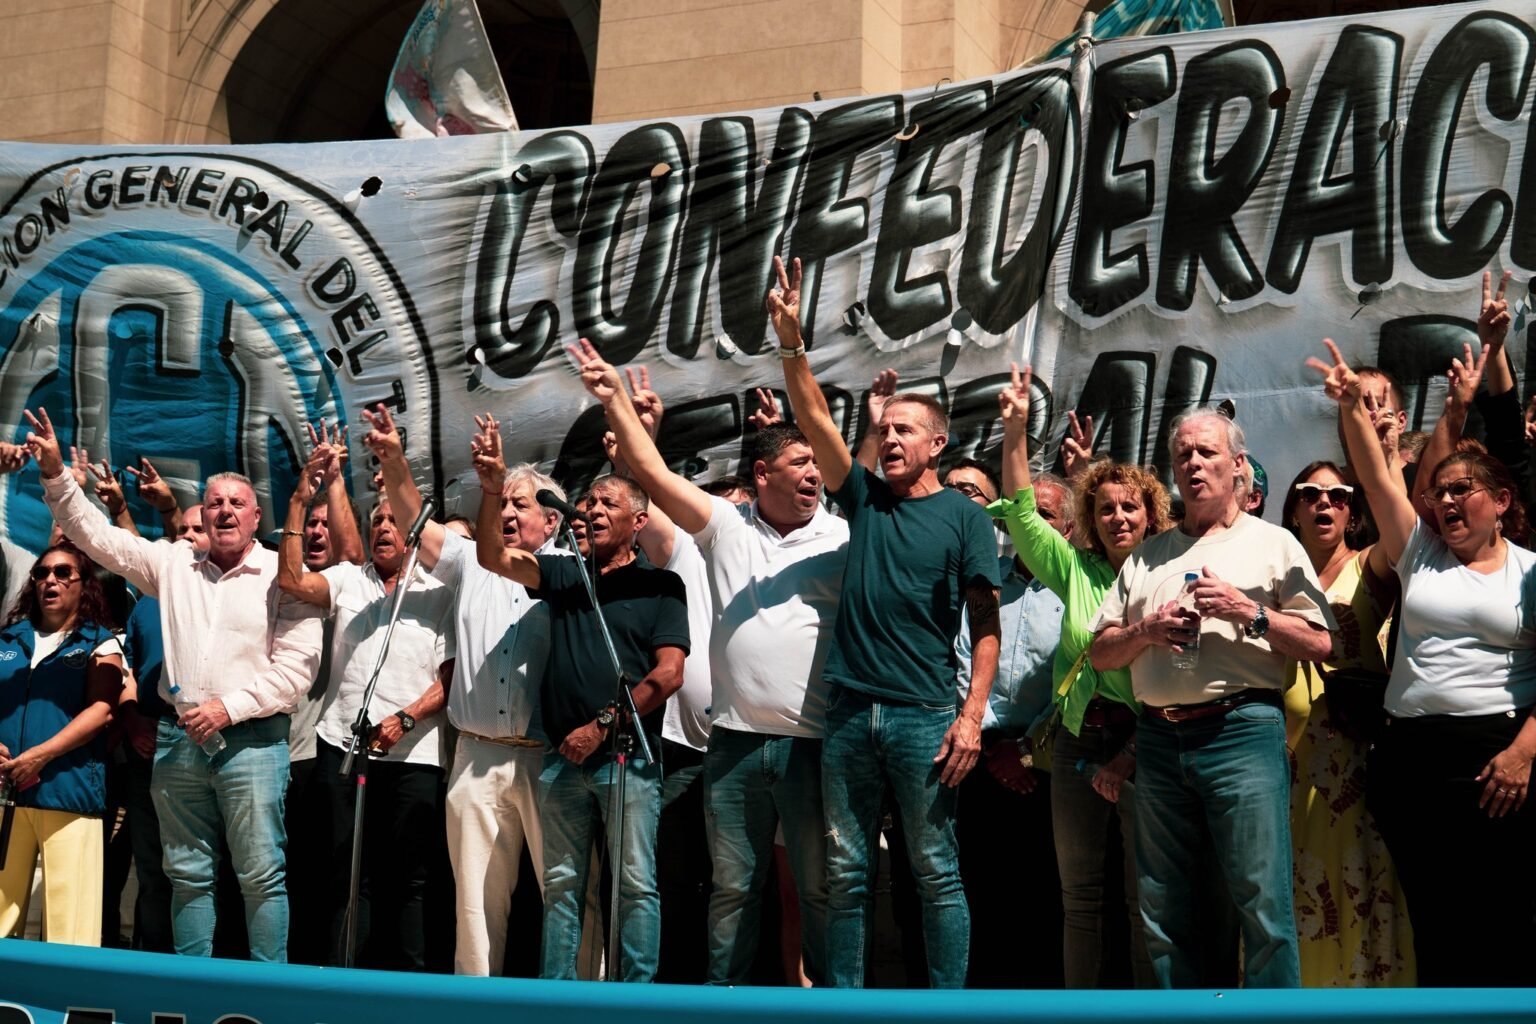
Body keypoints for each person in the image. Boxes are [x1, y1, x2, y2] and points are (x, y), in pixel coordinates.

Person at [574, 341, 848, 986]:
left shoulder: (842, 533)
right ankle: (724, 1006)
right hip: (734, 746)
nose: (814, 471)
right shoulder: (727, 525)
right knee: (732, 891)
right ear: (762, 474)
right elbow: (652, 474)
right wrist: (615, 403)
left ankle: (831, 1012)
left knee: (819, 890)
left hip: (813, 745)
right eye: (800, 461)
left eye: (817, 462)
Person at [767, 256, 1002, 988]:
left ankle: (947, 1011)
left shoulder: (965, 517)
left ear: (938, 444)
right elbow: (814, 418)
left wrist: (970, 717)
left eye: (906, 430)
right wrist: (791, 343)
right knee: (846, 870)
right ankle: (845, 1007)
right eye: (886, 429)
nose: (891, 439)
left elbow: (986, 626)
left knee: (934, 870)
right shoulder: (865, 498)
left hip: (924, 717)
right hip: (847, 714)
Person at [28, 407, 324, 962]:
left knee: (261, 876)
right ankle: (193, 992)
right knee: (186, 876)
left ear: (256, 517)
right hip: (179, 742)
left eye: (237, 503)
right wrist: (55, 475)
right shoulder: (173, 564)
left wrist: (227, 708)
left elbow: (296, 670)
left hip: (253, 744)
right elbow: (96, 537)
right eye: (215, 503)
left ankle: (268, 995)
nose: (225, 510)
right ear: (203, 516)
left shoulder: (283, 573)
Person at [1310, 310, 1536, 986]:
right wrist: (1352, 407)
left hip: (1497, 762)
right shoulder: (1419, 553)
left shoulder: (1531, 571)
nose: (1447, 502)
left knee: (1506, 922)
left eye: (1463, 490)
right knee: (1435, 924)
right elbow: (1377, 478)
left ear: (1502, 500)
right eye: (1440, 493)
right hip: (1411, 762)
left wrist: (1525, 752)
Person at [1088, 407, 1333, 988]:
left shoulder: (1274, 544)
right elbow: (1100, 653)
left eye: (1207, 452)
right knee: (1163, 905)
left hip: (1241, 731)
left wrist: (1248, 611)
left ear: (1238, 465)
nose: (1194, 464)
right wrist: (1146, 630)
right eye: (1184, 455)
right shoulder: (1148, 555)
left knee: (1261, 900)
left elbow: (1321, 642)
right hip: (1158, 736)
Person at [470, 408, 688, 983]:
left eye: (606, 503)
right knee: (562, 884)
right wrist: (492, 490)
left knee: (634, 883)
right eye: (587, 503)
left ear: (638, 521)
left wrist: (602, 726)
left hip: (626, 760)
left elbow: (668, 674)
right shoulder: (568, 574)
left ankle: (636, 999)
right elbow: (493, 558)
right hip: (561, 760)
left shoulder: (660, 585)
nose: (591, 510)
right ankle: (557, 997)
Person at [364, 404, 562, 977]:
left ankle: (581, 1006)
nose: (508, 513)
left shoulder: (572, 573)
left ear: (552, 521)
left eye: (521, 505)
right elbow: (413, 518)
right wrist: (394, 459)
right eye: (504, 503)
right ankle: (475, 1007)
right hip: (476, 754)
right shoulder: (471, 564)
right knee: (474, 905)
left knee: (567, 895)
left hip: (548, 760)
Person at [991, 364, 1169, 988]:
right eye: (1105, 508)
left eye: (1130, 507)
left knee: (1147, 896)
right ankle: (1082, 1016)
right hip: (1075, 743)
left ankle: (1152, 1015)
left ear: (1151, 514)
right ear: (1090, 519)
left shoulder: (1171, 571)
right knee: (1081, 898)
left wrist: (1128, 757)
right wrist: (1017, 432)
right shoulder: (1074, 569)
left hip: (1147, 743)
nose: (1118, 517)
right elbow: (1022, 516)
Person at [278, 444, 453, 969]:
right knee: (347, 876)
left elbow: (451, 677)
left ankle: (407, 990)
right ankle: (343, 987)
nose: (383, 528)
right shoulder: (349, 579)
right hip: (343, 747)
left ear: (416, 532)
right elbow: (292, 580)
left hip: (414, 756)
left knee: (410, 881)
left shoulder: (440, 591)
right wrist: (297, 503)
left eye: (394, 520)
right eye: (376, 520)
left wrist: (406, 717)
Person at [1278, 460, 1414, 985]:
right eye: (1310, 493)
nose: (1324, 502)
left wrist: (1383, 454)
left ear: (1353, 512)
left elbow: (1400, 520)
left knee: (1357, 876)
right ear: (1293, 509)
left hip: (1355, 758)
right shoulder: (1271, 572)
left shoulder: (1370, 566)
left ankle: (1365, 1003)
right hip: (1285, 758)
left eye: (1338, 495)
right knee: (1296, 881)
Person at [947, 452, 1067, 989]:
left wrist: (1024, 748)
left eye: (1047, 515)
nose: (1033, 525)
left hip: (1045, 763)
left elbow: (1078, 676)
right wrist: (985, 730)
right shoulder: (984, 580)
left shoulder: (1078, 588)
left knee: (1042, 893)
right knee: (977, 888)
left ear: (1069, 528)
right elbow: (960, 655)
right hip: (975, 751)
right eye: (1025, 514)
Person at [0, 542, 124, 945]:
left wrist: (40, 755)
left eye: (62, 572)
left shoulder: (99, 642)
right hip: (6, 797)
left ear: (84, 584)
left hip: (69, 796)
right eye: (42, 573)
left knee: (71, 930)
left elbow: (102, 711)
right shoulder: (7, 640)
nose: (49, 580)